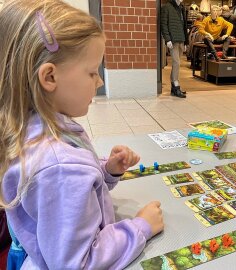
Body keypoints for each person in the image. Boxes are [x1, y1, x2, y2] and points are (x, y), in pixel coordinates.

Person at [0, 1, 164, 269]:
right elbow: (77, 262)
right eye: (91, 72)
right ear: (49, 77)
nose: (99, 81)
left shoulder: (37, 126)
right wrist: (140, 226)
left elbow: (63, 192)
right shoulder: (59, 166)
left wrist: (106, 170)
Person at [161, 0, 188, 98]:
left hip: (181, 39)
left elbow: (184, 26)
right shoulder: (167, 7)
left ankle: (174, 86)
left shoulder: (181, 8)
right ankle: (176, 85)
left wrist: (186, 41)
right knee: (177, 63)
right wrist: (167, 39)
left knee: (177, 64)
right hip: (173, 40)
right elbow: (163, 24)